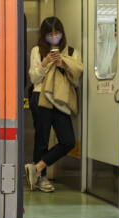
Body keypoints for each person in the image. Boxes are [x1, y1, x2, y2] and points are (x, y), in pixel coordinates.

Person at [26, 16, 83, 193]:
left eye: (56, 33)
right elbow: (34, 78)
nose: (53, 36)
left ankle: (37, 168)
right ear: (43, 36)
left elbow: (76, 81)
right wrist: (45, 63)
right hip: (40, 97)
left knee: (67, 141)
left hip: (61, 99)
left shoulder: (72, 52)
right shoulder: (38, 50)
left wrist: (63, 64)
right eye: (49, 33)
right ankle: (40, 179)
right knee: (41, 139)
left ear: (62, 33)